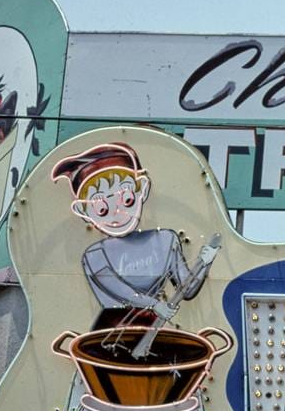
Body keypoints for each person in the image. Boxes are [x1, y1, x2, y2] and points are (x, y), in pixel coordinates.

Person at [50, 142, 219, 332]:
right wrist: (154, 305)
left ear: (143, 189)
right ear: (82, 210)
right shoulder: (94, 254)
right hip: (110, 335)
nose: (117, 212)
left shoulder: (166, 239)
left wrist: (204, 263)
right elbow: (121, 291)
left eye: (127, 199)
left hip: (155, 330)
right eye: (101, 208)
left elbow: (186, 290)